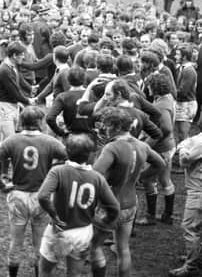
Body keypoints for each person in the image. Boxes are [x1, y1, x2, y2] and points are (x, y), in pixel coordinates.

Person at [0, 106, 67, 277]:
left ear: (21, 122)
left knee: (16, 242)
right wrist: (53, 168)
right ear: (40, 122)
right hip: (41, 197)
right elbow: (69, 157)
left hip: (18, 195)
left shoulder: (12, 140)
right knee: (39, 244)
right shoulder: (50, 141)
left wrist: (2, 185)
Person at [92, 107, 166, 277]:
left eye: (107, 125)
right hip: (131, 204)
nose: (104, 129)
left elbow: (95, 176)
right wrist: (141, 176)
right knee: (122, 248)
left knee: (94, 246)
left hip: (109, 205)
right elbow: (160, 163)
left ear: (117, 127)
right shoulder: (142, 146)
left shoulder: (112, 147)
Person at [38, 133, 120, 277]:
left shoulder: (58, 171)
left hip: (59, 230)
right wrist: (104, 221)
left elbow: (43, 196)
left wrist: (53, 215)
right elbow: (114, 207)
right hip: (83, 232)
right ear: (89, 155)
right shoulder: (97, 178)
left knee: (45, 270)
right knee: (75, 274)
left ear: (67, 152)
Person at [136, 73, 176, 226]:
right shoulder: (168, 98)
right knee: (165, 180)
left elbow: (166, 127)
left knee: (147, 179)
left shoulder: (161, 105)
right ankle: (167, 216)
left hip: (160, 148)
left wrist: (148, 143)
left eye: (149, 86)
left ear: (155, 87)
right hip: (169, 145)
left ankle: (150, 216)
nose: (148, 88)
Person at [169, 132, 202, 277]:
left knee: (190, 228)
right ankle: (195, 256)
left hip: (198, 190)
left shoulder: (199, 142)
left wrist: (182, 147)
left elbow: (184, 160)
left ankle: (190, 267)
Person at [0, 41, 34, 140]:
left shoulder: (11, 64)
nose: (23, 57)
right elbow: (15, 92)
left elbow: (19, 78)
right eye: (21, 55)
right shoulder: (5, 70)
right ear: (15, 55)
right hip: (5, 108)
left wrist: (30, 88)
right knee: (11, 141)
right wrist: (28, 101)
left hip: (11, 106)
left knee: (5, 143)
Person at [175, 44, 197, 144]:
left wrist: (171, 92)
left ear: (184, 57)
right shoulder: (181, 68)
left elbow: (183, 92)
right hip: (182, 104)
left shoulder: (189, 71)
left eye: (178, 55)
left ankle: (187, 155)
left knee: (183, 133)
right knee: (180, 133)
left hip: (187, 105)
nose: (175, 56)